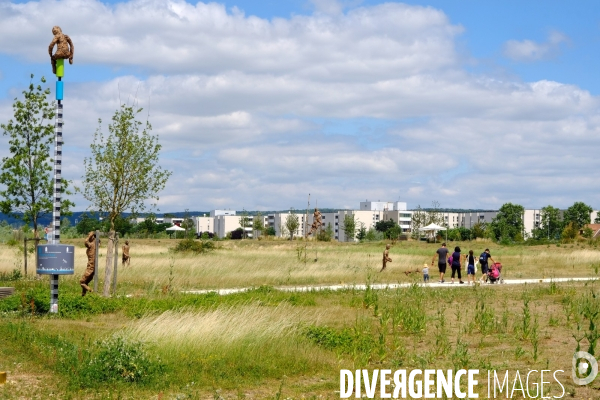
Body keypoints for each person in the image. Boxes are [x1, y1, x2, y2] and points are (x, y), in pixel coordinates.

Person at [80, 231, 96, 296]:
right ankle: (83, 296)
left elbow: (85, 242)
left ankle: (91, 291)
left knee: (82, 282)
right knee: (85, 282)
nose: (88, 236)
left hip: (90, 266)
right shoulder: (95, 244)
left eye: (89, 235)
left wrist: (90, 236)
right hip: (92, 266)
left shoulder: (91, 245)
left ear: (92, 237)